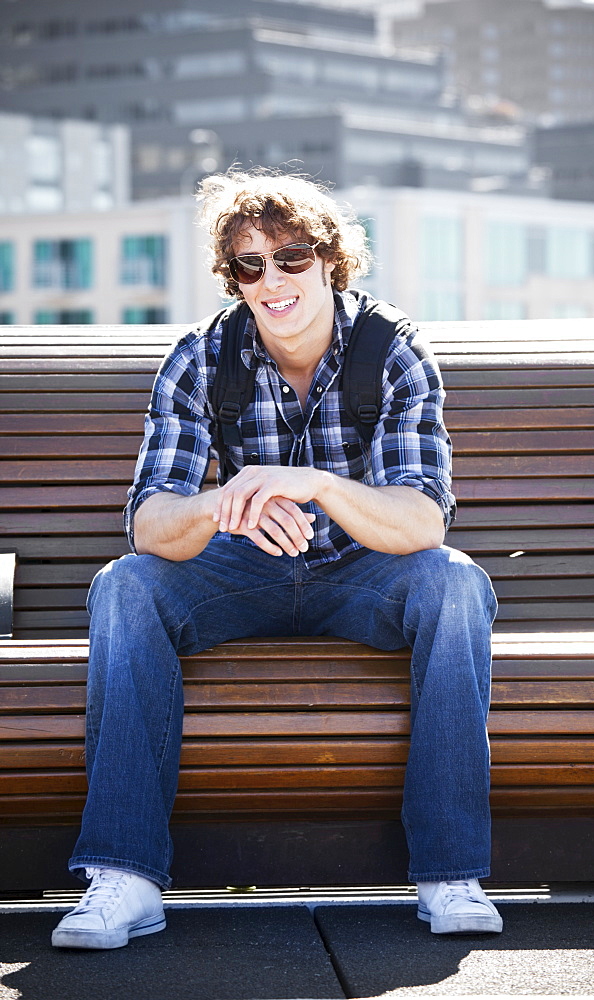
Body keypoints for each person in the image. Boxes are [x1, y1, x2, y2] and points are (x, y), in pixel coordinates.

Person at [51, 169, 502, 950]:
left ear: (330, 260)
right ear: (235, 280)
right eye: (251, 266)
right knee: (124, 588)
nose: (273, 281)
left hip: (362, 574)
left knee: (456, 586)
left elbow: (423, 519)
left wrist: (318, 484)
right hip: (241, 573)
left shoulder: (392, 349)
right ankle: (124, 879)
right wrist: (221, 504)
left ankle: (449, 873)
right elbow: (151, 524)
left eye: (291, 258)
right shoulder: (200, 356)